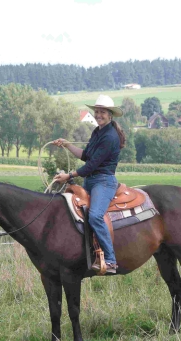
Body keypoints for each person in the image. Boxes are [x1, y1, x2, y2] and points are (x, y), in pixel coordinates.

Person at [53, 94, 125, 274]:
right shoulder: (97, 132)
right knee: (72, 211)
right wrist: (68, 145)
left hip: (104, 181)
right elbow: (86, 155)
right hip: (91, 180)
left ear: (110, 115)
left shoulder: (110, 136)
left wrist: (69, 175)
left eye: (102, 112)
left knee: (94, 216)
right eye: (97, 111)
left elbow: (91, 165)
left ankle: (110, 260)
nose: (98, 115)